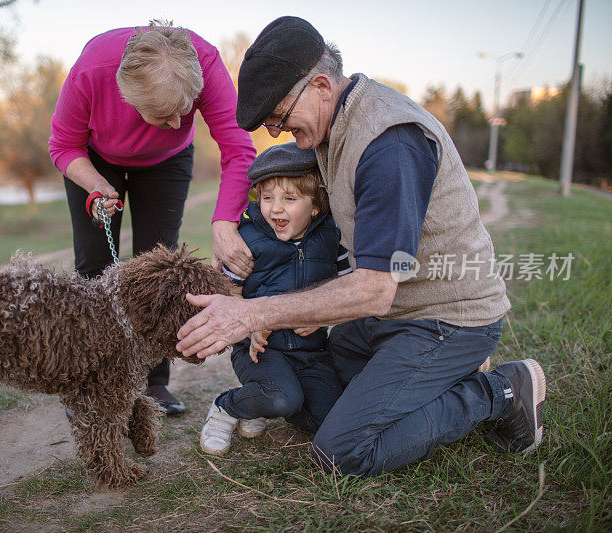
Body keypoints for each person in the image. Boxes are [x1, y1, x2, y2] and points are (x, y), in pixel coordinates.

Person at [177, 16, 545, 475]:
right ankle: (438, 380)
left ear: (321, 86)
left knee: (341, 451)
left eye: (278, 117)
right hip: (388, 316)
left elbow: (374, 289)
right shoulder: (332, 129)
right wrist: (227, 228)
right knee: (318, 411)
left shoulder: (388, 142)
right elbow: (278, 197)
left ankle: (500, 390)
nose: (275, 133)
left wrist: (252, 313)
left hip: (446, 317)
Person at [49, 20, 257, 414]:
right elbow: (62, 145)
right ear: (128, 97)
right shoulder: (92, 70)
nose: (179, 125)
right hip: (93, 159)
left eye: (185, 112)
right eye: (164, 117)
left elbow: (239, 149)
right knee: (95, 267)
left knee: (159, 268)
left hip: (167, 163)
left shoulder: (207, 64)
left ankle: (152, 383)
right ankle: (91, 384)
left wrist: (224, 223)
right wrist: (95, 184)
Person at [200, 143, 350, 455]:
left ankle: (263, 403)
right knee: (283, 396)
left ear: (316, 205)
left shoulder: (332, 236)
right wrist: (250, 324)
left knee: (330, 419)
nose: (275, 208)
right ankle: (228, 407)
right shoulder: (249, 238)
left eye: (289, 199)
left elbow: (351, 287)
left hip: (312, 351)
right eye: (267, 198)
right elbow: (231, 290)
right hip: (259, 350)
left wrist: (328, 316)